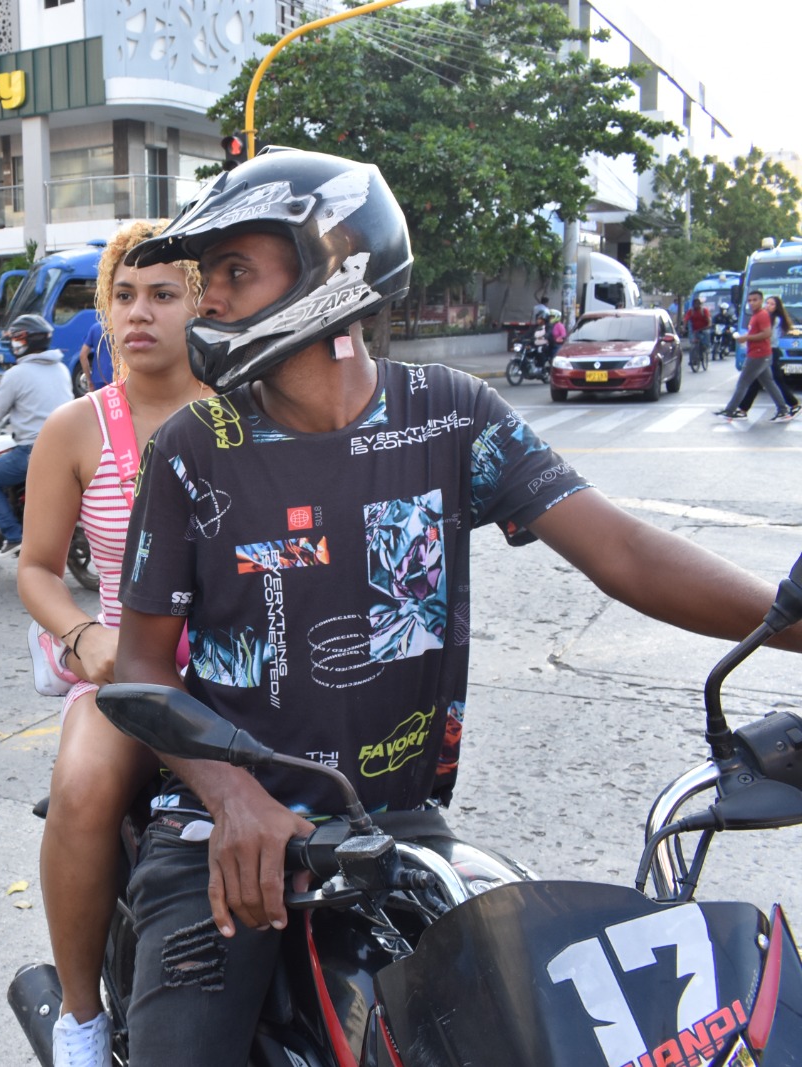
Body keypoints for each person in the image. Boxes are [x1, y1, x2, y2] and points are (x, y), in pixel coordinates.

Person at [109, 147, 802, 1065]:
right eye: (212, 278)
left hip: (396, 828)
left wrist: (788, 625)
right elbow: (142, 667)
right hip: (217, 836)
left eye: (235, 273)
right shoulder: (196, 447)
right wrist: (233, 797)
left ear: (335, 269)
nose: (211, 301)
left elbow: (625, 551)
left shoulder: (451, 415)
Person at [17, 221, 205, 1067]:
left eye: (163, 294)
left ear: (201, 302)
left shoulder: (246, 414)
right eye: (123, 295)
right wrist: (83, 633)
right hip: (127, 670)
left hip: (243, 666)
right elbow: (37, 570)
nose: (141, 313)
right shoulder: (74, 428)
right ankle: (83, 1017)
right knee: (83, 790)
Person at [0, 313, 74, 554]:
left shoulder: (16, 374)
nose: (13, 342)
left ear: (24, 341)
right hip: (69, 449)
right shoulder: (61, 369)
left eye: (15, 338)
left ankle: (14, 536)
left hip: (34, 451)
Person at [715, 290, 791, 421]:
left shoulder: (762, 315)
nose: (751, 303)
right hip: (760, 354)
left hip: (758, 354)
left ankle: (730, 410)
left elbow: (767, 333)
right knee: (769, 383)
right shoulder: (756, 315)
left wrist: (746, 337)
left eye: (755, 300)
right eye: (749, 300)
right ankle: (783, 410)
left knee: (743, 382)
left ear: (761, 301)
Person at [733, 295, 800, 418]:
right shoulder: (767, 317)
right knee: (758, 381)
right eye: (767, 303)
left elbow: (770, 337)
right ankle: (743, 409)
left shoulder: (775, 320)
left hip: (770, 352)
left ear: (777, 307)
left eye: (772, 304)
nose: (768, 306)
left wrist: (752, 338)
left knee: (772, 380)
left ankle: (792, 405)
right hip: (768, 351)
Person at [75, 315, 115, 394]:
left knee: (100, 405)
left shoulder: (95, 328)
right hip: (119, 379)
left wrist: (89, 379)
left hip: (98, 378)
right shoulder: (121, 328)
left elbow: (83, 355)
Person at [685, 296, 711, 364]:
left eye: (697, 304)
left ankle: (706, 348)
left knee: (705, 337)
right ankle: (692, 359)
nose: (696, 305)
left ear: (700, 304)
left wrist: (709, 325)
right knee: (693, 344)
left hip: (704, 328)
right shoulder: (691, 311)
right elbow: (686, 319)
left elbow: (708, 319)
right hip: (695, 330)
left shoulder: (704, 310)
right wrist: (684, 327)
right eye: (695, 304)